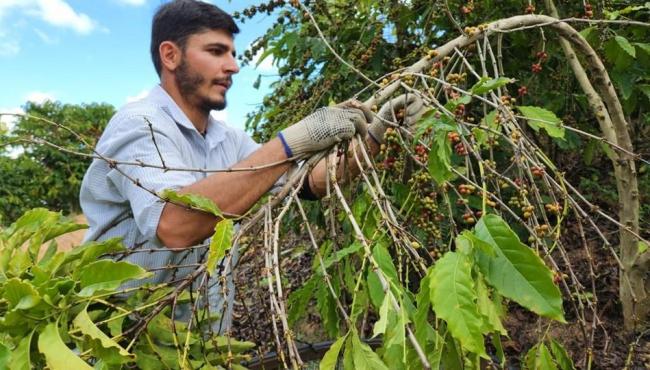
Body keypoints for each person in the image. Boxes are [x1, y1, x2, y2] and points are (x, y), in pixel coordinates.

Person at [79, 0, 423, 332]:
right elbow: (174, 225)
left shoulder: (229, 140)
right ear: (170, 55)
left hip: (200, 343)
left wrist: (376, 138)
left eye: (232, 53)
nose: (233, 66)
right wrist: (289, 143)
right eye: (216, 52)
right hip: (123, 338)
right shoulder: (141, 125)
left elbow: (308, 183)